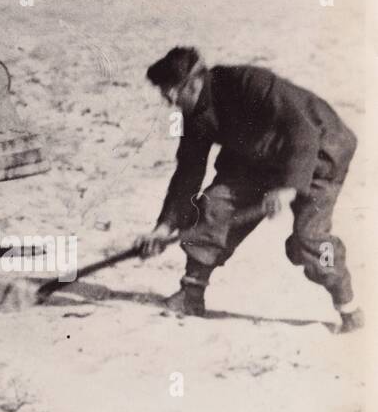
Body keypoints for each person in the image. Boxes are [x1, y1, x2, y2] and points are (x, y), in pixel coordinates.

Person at [135, 46, 362, 332]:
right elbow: (187, 173)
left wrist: (289, 187)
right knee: (215, 206)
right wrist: (163, 227)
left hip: (320, 153)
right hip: (258, 159)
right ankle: (191, 294)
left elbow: (302, 130)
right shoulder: (192, 115)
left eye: (170, 90)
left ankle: (348, 307)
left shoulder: (249, 82)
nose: (168, 100)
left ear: (193, 83)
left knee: (309, 240)